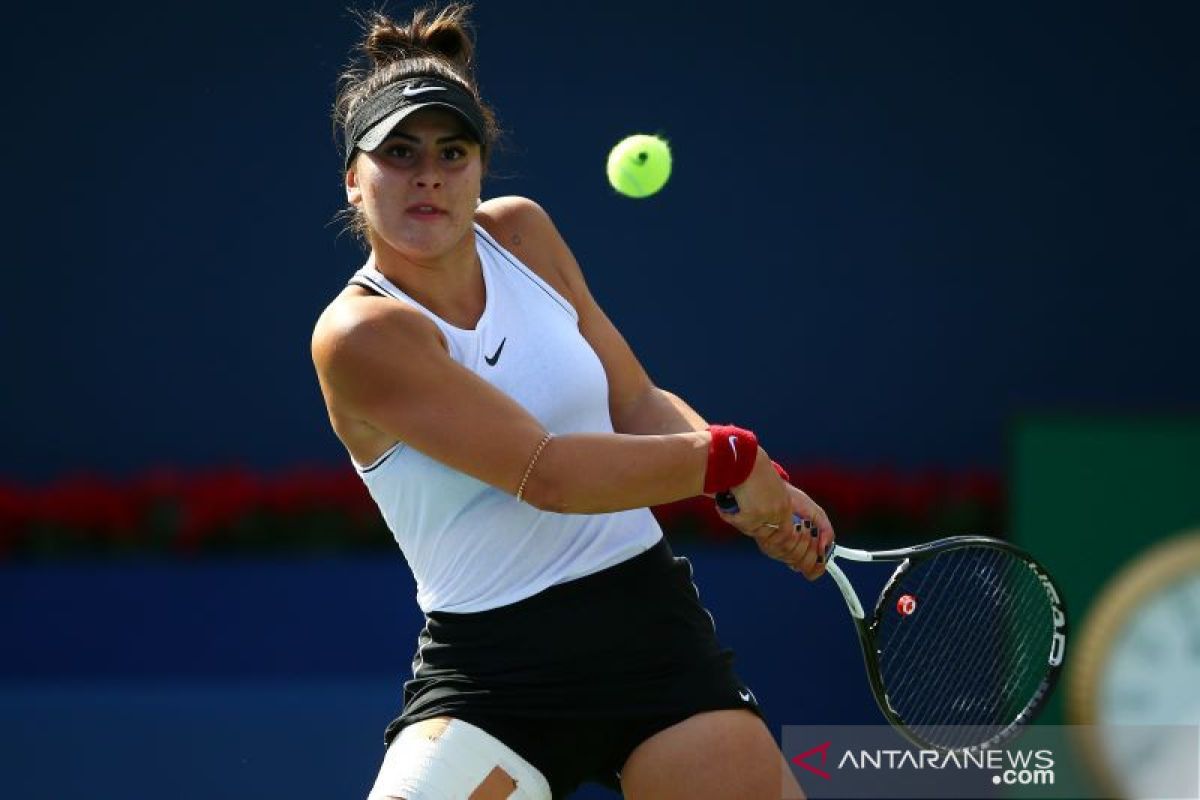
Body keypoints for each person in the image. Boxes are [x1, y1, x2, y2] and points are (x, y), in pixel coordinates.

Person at [311, 4, 835, 798]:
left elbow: (633, 398)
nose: (429, 174)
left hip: (650, 636)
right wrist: (729, 457)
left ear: (482, 168)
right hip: (496, 679)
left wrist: (749, 487)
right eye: (399, 153)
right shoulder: (359, 334)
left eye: (453, 152)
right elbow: (547, 474)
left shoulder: (523, 234)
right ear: (354, 179)